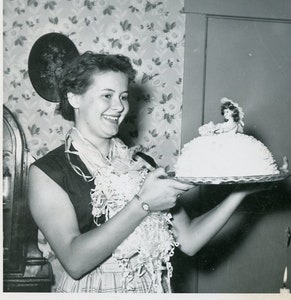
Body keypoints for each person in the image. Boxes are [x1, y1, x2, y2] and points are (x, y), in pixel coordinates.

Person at [28, 51, 268, 293]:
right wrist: (142, 204)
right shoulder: (47, 172)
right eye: (107, 96)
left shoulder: (142, 164)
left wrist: (240, 193)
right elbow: (75, 262)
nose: (119, 106)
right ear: (75, 98)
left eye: (123, 96)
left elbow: (188, 240)